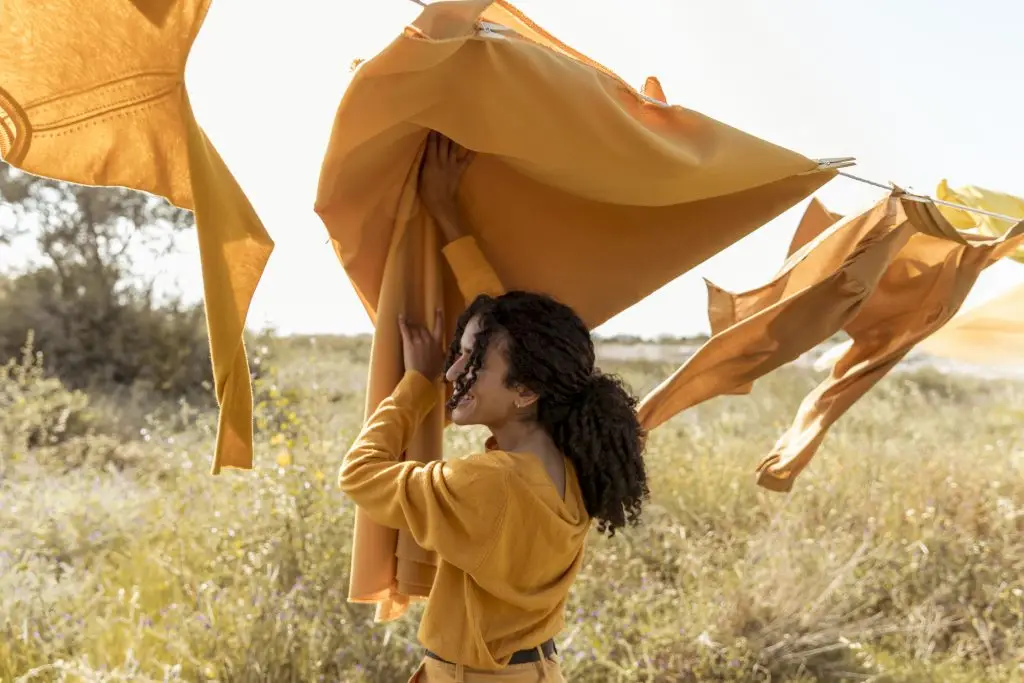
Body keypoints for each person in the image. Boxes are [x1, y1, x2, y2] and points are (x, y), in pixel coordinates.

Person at [339, 132, 649, 682]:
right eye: (460, 354)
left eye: (471, 363)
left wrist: (415, 385)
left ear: (526, 392)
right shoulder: (568, 463)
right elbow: (504, 326)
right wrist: (447, 214)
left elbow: (360, 475)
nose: (454, 372)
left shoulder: (487, 485)